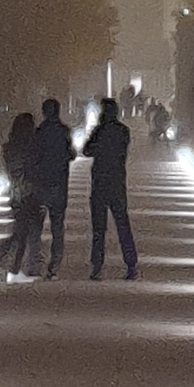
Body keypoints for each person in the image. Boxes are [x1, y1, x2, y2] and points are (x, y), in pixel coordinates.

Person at [81, 94, 138, 281]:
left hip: (100, 183)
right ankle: (131, 264)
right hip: (117, 182)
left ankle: (97, 266)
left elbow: (86, 150)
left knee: (99, 229)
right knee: (123, 225)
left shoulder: (100, 131)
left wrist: (98, 139)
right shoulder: (123, 131)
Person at [27, 95, 74, 279]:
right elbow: (71, 154)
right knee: (57, 227)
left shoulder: (39, 132)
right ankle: (54, 266)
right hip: (59, 185)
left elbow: (33, 157)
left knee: (36, 227)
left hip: (41, 185)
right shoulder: (64, 131)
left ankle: (34, 264)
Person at [0, 110, 41, 278]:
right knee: (27, 232)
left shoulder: (10, 148)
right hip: (31, 192)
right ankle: (16, 266)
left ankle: (7, 262)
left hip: (17, 193)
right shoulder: (33, 148)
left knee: (20, 231)